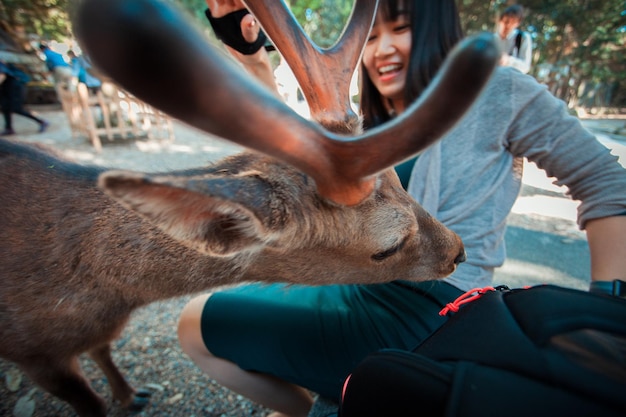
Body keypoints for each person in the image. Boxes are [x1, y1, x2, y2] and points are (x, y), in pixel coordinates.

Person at [177, 1, 626, 416]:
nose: (381, 50)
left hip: (441, 307)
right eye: (369, 38)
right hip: (360, 285)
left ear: (437, 28)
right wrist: (253, 57)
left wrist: (606, 314)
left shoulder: (499, 91)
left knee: (195, 326)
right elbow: (288, 157)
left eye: (403, 28)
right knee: (198, 320)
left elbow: (606, 183)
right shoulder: (366, 122)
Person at [0, 61, 49, 135]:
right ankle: (8, 128)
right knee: (5, 107)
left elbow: (2, 75)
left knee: (17, 108)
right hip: (7, 88)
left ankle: (42, 122)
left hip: (15, 87)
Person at [497, 4, 533, 74]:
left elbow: (525, 67)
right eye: (506, 21)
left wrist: (508, 61)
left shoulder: (523, 38)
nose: (508, 25)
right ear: (500, 21)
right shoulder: (492, 39)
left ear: (517, 24)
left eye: (513, 22)